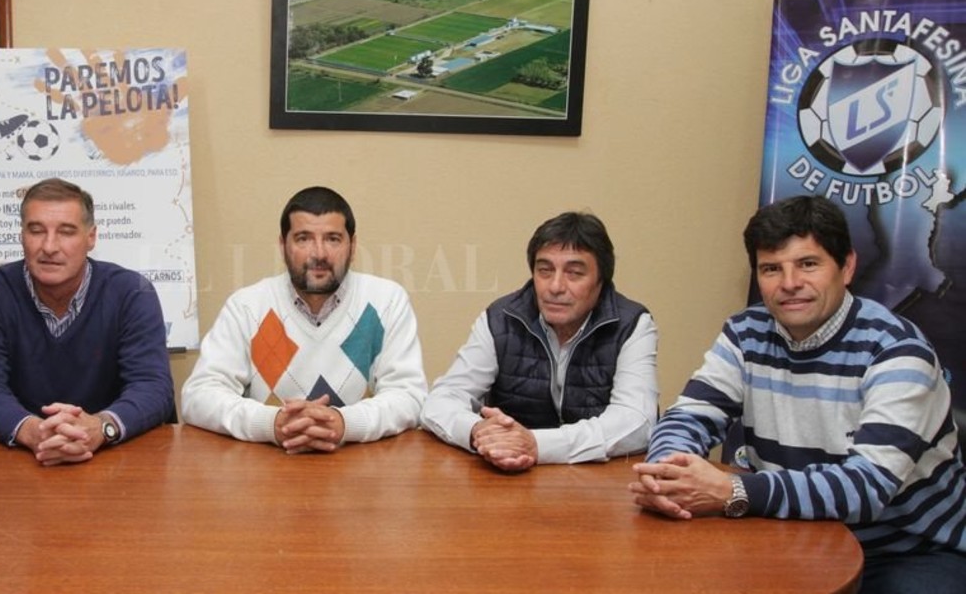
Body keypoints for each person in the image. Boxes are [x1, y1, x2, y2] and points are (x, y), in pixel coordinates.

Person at [631, 195, 966, 593]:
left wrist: (731, 491)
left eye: (808, 264)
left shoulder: (897, 350)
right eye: (771, 268)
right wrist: (667, 475)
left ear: (847, 267)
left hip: (905, 549)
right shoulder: (745, 333)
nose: (789, 283)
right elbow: (689, 415)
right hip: (791, 529)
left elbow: (866, 488)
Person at [181, 186, 426, 453]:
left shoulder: (386, 301)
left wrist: (344, 423)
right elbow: (199, 396)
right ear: (282, 245)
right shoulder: (247, 307)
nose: (319, 253)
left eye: (333, 239)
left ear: (353, 246)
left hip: (361, 467)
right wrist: (272, 423)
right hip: (267, 467)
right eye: (303, 238)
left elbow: (409, 396)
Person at [0, 178, 174, 465]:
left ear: (91, 237)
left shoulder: (132, 292)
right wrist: (33, 432)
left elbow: (152, 386)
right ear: (22, 235)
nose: (49, 246)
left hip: (116, 460)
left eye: (66, 232)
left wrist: (101, 428)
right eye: (36, 231)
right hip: (22, 458)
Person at [421, 212, 658, 469]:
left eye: (574, 273)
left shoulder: (631, 324)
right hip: (509, 475)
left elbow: (637, 422)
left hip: (596, 477)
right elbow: (440, 401)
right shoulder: (502, 318)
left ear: (601, 281)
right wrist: (478, 431)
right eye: (544, 270)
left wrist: (537, 445)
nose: (555, 286)